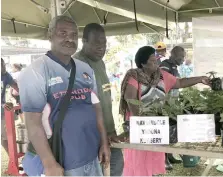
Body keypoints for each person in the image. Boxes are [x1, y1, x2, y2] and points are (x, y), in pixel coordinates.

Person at [18, 16, 110, 176]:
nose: (69, 39)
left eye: (74, 35)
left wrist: (104, 142)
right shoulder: (36, 71)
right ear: (50, 35)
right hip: (61, 160)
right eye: (63, 33)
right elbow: (33, 123)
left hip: (91, 156)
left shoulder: (85, 69)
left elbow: (96, 107)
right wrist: (49, 164)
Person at [120, 46, 210, 176]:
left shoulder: (161, 75)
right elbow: (129, 98)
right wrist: (140, 122)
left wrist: (201, 79)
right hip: (140, 127)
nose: (156, 62)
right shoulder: (134, 76)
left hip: (156, 127)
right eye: (152, 60)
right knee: (139, 164)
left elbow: (179, 82)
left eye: (156, 58)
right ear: (143, 63)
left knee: (153, 161)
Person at [73, 23, 124, 176]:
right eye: (96, 43)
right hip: (93, 135)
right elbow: (81, 107)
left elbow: (103, 96)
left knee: (116, 167)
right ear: (84, 41)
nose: (102, 47)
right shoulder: (77, 64)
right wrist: (101, 136)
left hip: (110, 130)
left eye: (104, 43)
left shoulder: (100, 63)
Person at [1, 58, 19, 155]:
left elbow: (16, 86)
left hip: (3, 111)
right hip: (3, 106)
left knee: (6, 136)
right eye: (1, 65)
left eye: (4, 65)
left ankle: (12, 159)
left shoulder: (6, 75)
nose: (4, 67)